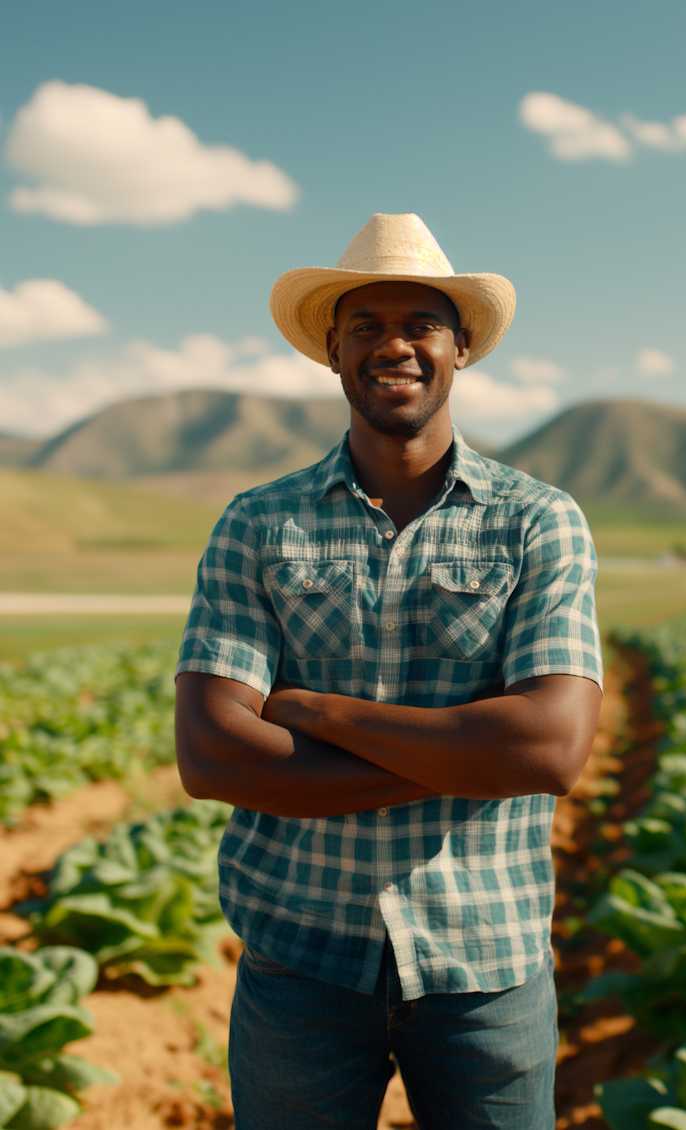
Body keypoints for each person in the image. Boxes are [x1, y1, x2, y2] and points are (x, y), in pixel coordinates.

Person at [174, 213, 603, 1129]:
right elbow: (214, 757)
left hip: (485, 964)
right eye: (366, 325)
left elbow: (551, 750)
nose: (393, 345)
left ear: (461, 348)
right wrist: (465, 756)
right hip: (300, 960)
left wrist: (316, 711)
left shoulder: (537, 520)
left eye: (420, 324)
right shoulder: (258, 522)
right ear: (333, 352)